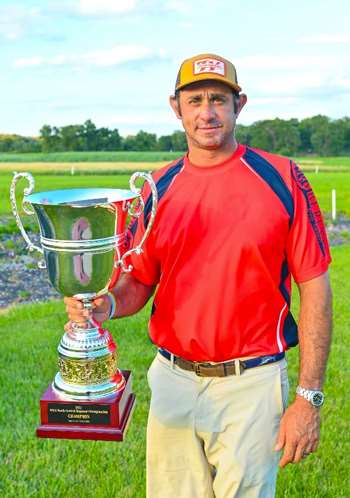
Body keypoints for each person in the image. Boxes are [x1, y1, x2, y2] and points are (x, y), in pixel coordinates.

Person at [64, 53, 332, 498]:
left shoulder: (282, 177)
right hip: (173, 381)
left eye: (218, 99)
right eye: (194, 100)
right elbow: (139, 281)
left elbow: (315, 290)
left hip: (252, 383)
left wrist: (308, 398)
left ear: (238, 105)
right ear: (176, 108)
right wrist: (103, 304)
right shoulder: (156, 188)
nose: (207, 112)